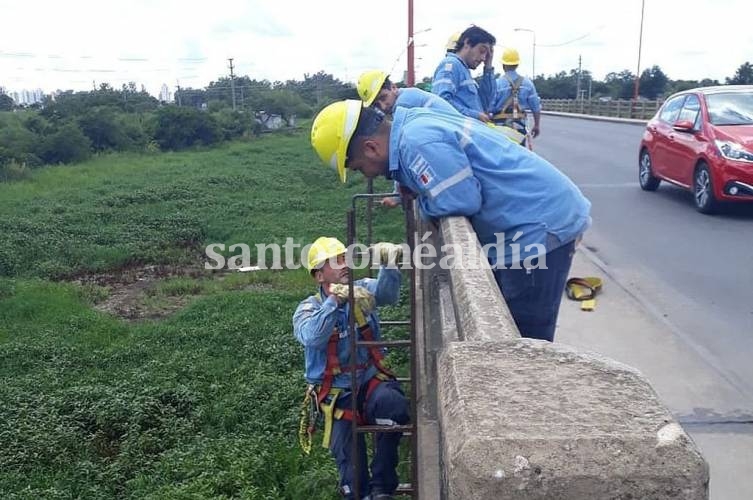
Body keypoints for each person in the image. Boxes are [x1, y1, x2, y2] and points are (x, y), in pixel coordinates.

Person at [310, 101, 591, 343]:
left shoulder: (417, 141)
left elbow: (460, 201)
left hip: (535, 228)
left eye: (359, 167)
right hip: (522, 222)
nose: (367, 176)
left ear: (371, 148)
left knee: (527, 339)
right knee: (509, 323)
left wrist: (422, 201)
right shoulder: (411, 126)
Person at [294, 237, 409, 499]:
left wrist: (389, 265)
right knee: (351, 474)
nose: (344, 265)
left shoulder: (361, 288)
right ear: (319, 275)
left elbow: (388, 295)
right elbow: (313, 337)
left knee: (393, 407)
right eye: (336, 261)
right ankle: (358, 492)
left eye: (345, 258)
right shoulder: (308, 309)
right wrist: (334, 302)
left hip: (369, 379)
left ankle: (382, 487)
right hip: (337, 394)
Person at [431, 25, 497, 123]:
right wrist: (475, 115)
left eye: (487, 54)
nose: (483, 58)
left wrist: (488, 67)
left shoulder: (464, 71)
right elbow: (440, 103)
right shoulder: (451, 65)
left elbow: (485, 104)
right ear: (467, 43)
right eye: (482, 51)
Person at [490, 47, 542, 144]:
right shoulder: (528, 84)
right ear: (517, 64)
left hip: (500, 126)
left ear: (503, 65)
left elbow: (490, 107)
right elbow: (536, 107)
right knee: (519, 154)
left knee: (501, 154)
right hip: (519, 125)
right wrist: (537, 125)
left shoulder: (497, 84)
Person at [357, 70, 459, 116]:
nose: (383, 107)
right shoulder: (407, 93)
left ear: (393, 87)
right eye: (377, 105)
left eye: (383, 98)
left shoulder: (403, 104)